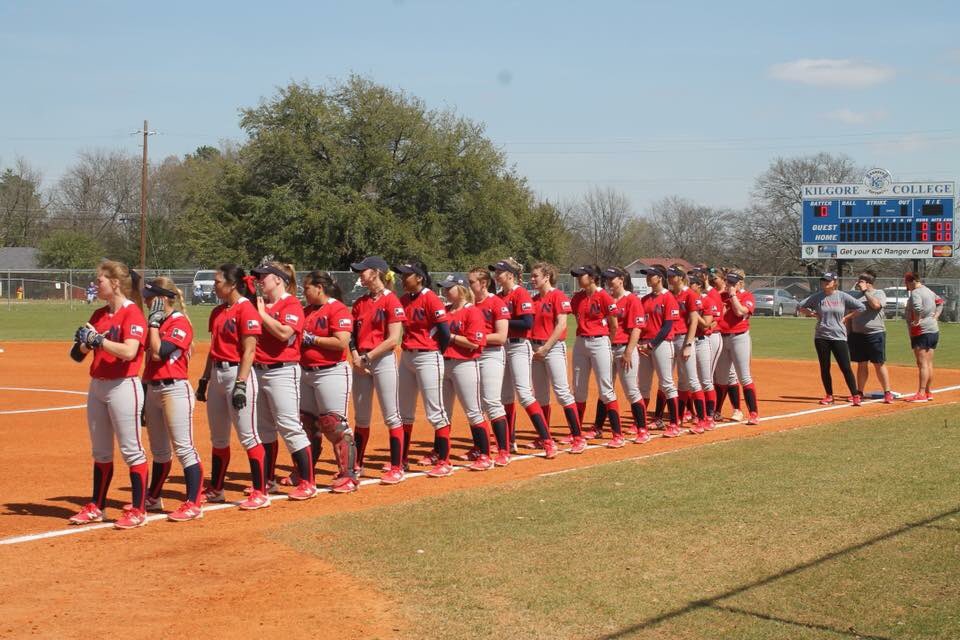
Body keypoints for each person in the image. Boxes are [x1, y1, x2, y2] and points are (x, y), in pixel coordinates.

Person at [67, 259, 149, 529]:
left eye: (99, 280)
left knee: (131, 450)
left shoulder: (132, 313)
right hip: (98, 385)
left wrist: (99, 340)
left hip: (123, 385)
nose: (95, 283)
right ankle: (97, 506)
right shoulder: (99, 315)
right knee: (101, 451)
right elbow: (77, 356)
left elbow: (129, 351)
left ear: (114, 283)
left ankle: (138, 509)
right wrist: (85, 344)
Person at [195, 264, 269, 510]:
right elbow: (213, 349)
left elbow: (249, 350)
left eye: (217, 281)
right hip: (217, 374)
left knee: (248, 435)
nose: (214, 285)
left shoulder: (246, 310)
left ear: (232, 284)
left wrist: (241, 383)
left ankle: (260, 491)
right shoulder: (217, 311)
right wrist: (205, 379)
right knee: (218, 438)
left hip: (238, 374)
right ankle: (216, 489)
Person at [250, 262, 317, 501]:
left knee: (289, 426)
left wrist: (261, 315)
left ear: (278, 279)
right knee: (264, 429)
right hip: (258, 371)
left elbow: (284, 333)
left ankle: (308, 482)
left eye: (264, 276)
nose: (259, 281)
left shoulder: (291, 304)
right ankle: (268, 481)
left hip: (283, 371)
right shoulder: (261, 304)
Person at [140, 277, 203, 522]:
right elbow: (147, 363)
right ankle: (154, 497)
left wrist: (153, 325)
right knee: (159, 451)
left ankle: (194, 503)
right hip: (154, 390)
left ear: (163, 298)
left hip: (174, 390)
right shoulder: (155, 323)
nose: (146, 301)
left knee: (184, 448)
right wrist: (144, 395)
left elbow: (158, 353)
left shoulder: (179, 323)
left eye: (150, 296)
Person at [297, 270, 358, 493]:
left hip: (330, 372)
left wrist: (313, 339)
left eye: (307, 288)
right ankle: (306, 472)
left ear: (319, 288)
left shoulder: (337, 308)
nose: (305, 293)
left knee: (334, 424)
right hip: (305, 372)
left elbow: (341, 342)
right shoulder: (306, 311)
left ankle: (349, 474)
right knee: (307, 423)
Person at [348, 256, 406, 485]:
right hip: (361, 361)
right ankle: (356, 465)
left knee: (391, 415)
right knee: (361, 418)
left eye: (363, 271)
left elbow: (393, 339)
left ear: (376, 273)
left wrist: (367, 357)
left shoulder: (392, 301)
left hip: (381, 360)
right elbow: (351, 335)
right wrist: (355, 356)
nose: (360, 274)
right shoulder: (360, 302)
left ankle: (397, 467)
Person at [491, 258, 557, 458]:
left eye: (500, 272)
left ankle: (547, 441)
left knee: (525, 394)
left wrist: (503, 322)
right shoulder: (497, 297)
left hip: (519, 346)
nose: (496, 275)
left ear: (510, 275)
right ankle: (509, 442)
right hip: (502, 348)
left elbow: (527, 322)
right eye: (495, 272)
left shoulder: (520, 293)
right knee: (505, 398)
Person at [394, 260, 454, 477]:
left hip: (428, 356)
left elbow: (444, 332)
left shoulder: (431, 298)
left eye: (406, 275)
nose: (402, 279)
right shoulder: (403, 299)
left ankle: (445, 461)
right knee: (405, 412)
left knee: (435, 410)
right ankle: (401, 460)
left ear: (419, 277)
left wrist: (438, 351)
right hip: (407, 357)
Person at [437, 274, 495, 471]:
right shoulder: (444, 311)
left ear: (460, 289)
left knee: (473, 411)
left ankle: (485, 455)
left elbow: (475, 342)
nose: (445, 291)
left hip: (465, 364)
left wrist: (451, 337)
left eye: (449, 287)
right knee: (443, 412)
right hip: (444, 363)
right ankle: (440, 454)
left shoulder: (472, 312)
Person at [529, 262, 586, 453]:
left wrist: (546, 347)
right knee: (541, 395)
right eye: (532, 275)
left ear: (546, 277)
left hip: (552, 348)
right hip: (535, 348)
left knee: (562, 392)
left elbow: (562, 325)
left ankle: (578, 437)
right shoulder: (534, 299)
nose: (533, 279)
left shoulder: (557, 296)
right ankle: (543, 436)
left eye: (536, 275)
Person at [570, 265, 623, 446]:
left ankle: (617, 435)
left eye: (581, 275)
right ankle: (576, 433)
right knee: (578, 389)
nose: (578, 278)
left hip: (600, 341)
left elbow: (614, 325)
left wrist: (608, 342)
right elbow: (578, 319)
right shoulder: (577, 297)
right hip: (581, 342)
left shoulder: (604, 296)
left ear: (592, 278)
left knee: (606, 388)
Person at [467, 268, 513, 466]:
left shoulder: (496, 302)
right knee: (474, 405)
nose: (468, 286)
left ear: (483, 284)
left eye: (471, 282)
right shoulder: (467, 305)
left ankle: (504, 450)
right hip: (470, 355)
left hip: (491, 354)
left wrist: (475, 339)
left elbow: (501, 336)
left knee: (492, 402)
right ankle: (480, 448)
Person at [798, 272, 865, 406]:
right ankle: (829, 395)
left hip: (839, 336)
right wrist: (812, 313)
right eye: (823, 280)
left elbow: (861, 307)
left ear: (835, 282)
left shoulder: (842, 296)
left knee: (845, 367)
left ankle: (855, 395)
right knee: (825, 367)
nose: (825, 283)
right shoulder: (817, 297)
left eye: (828, 281)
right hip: (821, 336)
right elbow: (800, 306)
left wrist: (847, 317)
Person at [636, 265, 680, 438]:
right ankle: (639, 423)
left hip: (661, 344)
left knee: (667, 383)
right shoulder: (645, 299)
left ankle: (675, 423)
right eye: (647, 275)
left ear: (660, 278)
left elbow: (667, 326)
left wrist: (652, 344)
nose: (648, 278)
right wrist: (640, 343)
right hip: (645, 345)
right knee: (643, 386)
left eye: (651, 275)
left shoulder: (668, 298)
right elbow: (640, 323)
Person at [603, 266, 646, 437]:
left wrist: (629, 351)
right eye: (606, 279)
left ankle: (642, 428)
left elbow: (636, 328)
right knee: (605, 388)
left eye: (611, 279)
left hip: (623, 349)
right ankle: (599, 427)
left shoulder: (632, 300)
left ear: (621, 279)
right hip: (606, 349)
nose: (608, 282)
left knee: (631, 390)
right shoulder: (607, 299)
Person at [715, 269, 760, 424]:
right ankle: (718, 411)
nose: (729, 285)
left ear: (741, 283)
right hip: (722, 337)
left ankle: (753, 413)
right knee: (722, 377)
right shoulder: (721, 296)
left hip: (739, 338)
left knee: (744, 376)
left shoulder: (747, 296)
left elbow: (740, 311)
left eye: (733, 283)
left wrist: (733, 295)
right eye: (728, 282)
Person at [666, 265, 707, 433]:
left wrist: (688, 345)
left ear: (681, 277)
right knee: (681, 381)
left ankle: (702, 419)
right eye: (668, 276)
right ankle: (680, 416)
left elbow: (694, 321)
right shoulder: (669, 295)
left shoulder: (689, 294)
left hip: (684, 338)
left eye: (672, 276)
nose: (669, 278)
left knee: (692, 379)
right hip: (670, 339)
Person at [848, 271, 893, 404]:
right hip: (857, 334)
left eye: (861, 281)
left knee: (879, 363)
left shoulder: (879, 293)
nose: (858, 284)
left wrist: (866, 292)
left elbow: (876, 305)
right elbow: (850, 315)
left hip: (875, 333)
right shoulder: (854, 296)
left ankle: (887, 392)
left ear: (868, 283)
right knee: (861, 364)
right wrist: (848, 333)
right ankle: (859, 392)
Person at [687, 271, 720, 431]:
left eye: (691, 284)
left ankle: (710, 416)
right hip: (688, 341)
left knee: (706, 380)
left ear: (698, 286)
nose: (688, 286)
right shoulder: (685, 300)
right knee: (692, 381)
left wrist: (694, 314)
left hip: (702, 342)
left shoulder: (707, 300)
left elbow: (706, 324)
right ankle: (698, 415)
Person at [903, 272, 940, 402]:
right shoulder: (928, 291)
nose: (906, 285)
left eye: (907, 282)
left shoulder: (916, 292)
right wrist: (935, 317)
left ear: (912, 281)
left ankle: (921, 393)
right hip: (933, 329)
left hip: (921, 331)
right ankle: (929, 392)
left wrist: (917, 320)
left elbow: (917, 308)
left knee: (922, 363)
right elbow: (940, 302)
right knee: (928, 363)